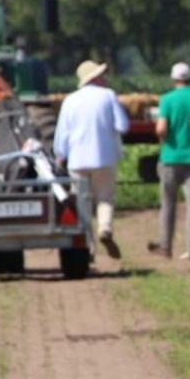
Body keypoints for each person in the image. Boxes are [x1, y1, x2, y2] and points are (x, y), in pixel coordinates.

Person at [53, 59, 129, 260]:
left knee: (81, 203)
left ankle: (88, 246)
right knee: (105, 197)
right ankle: (105, 227)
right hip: (104, 157)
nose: (104, 78)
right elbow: (123, 125)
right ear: (95, 77)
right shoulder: (108, 96)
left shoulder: (70, 100)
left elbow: (62, 136)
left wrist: (60, 156)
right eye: (101, 75)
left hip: (77, 160)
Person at [148, 62, 190, 260]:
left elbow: (161, 129)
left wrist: (164, 140)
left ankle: (165, 245)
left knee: (168, 203)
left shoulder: (167, 99)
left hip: (171, 156)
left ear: (174, 80)